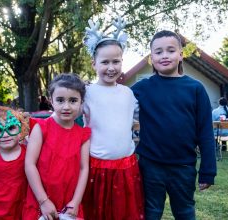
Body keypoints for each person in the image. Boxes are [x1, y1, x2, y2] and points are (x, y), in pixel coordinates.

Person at [131, 30, 216, 220]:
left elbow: (205, 133)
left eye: (170, 50)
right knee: (150, 213)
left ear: (181, 55)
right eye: (158, 52)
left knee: (185, 212)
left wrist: (208, 171)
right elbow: (116, 101)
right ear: (151, 58)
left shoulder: (195, 88)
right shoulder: (142, 88)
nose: (164, 56)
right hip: (150, 166)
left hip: (183, 166)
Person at [82, 17, 144, 220]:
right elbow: (64, 114)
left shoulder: (128, 93)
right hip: (96, 167)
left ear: (122, 62)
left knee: (124, 213)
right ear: (94, 64)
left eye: (116, 61)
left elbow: (140, 116)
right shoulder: (86, 93)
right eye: (105, 62)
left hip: (126, 166)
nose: (111, 67)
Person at [23, 73, 91, 220]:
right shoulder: (41, 128)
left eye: (73, 100)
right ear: (51, 101)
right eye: (60, 100)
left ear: (81, 102)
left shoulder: (83, 135)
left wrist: (76, 201)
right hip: (41, 200)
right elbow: (29, 164)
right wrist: (44, 201)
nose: (66, 106)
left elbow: (84, 168)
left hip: (70, 202)